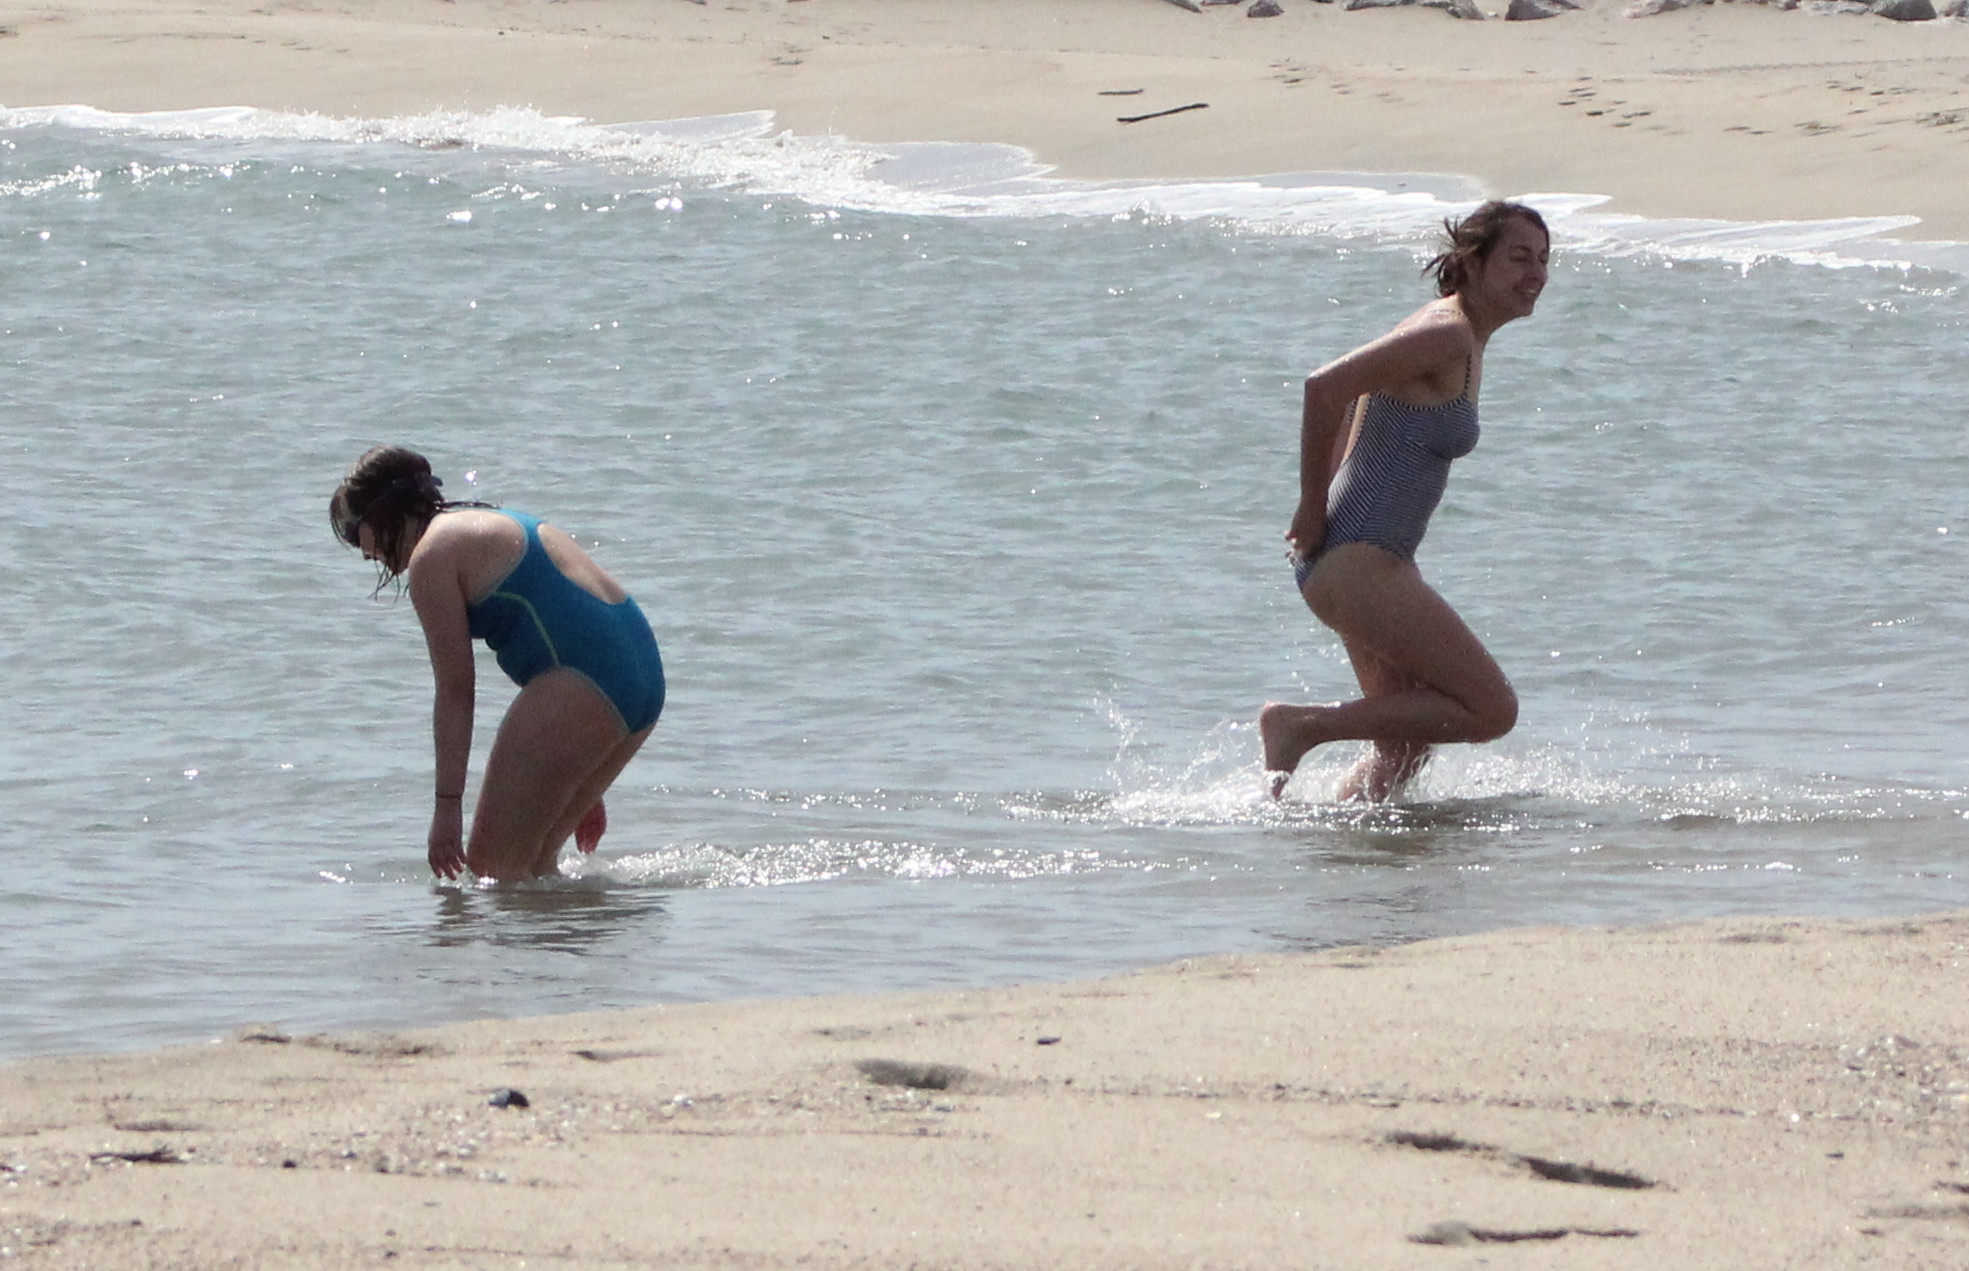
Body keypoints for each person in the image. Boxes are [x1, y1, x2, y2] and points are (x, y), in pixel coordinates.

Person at [1259, 201, 1549, 802]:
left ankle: (1340, 841)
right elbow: (1324, 388)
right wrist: (1311, 508)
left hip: (1354, 562)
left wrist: (1328, 508)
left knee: (1404, 748)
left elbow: (1354, 404)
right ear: (1472, 262)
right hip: (1360, 564)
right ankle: (1301, 726)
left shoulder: (1455, 336)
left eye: (1544, 260)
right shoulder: (1446, 333)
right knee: (1491, 709)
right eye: (1519, 257)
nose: (1536, 274)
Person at [330, 445, 665, 881]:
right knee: (534, 870)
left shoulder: (431, 558)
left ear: (381, 512)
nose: (362, 552)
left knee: (492, 870)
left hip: (588, 680)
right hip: (641, 675)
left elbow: (456, 692)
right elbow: (566, 627)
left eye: (354, 533)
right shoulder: (485, 523)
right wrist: (577, 763)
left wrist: (447, 809)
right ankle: (588, 926)